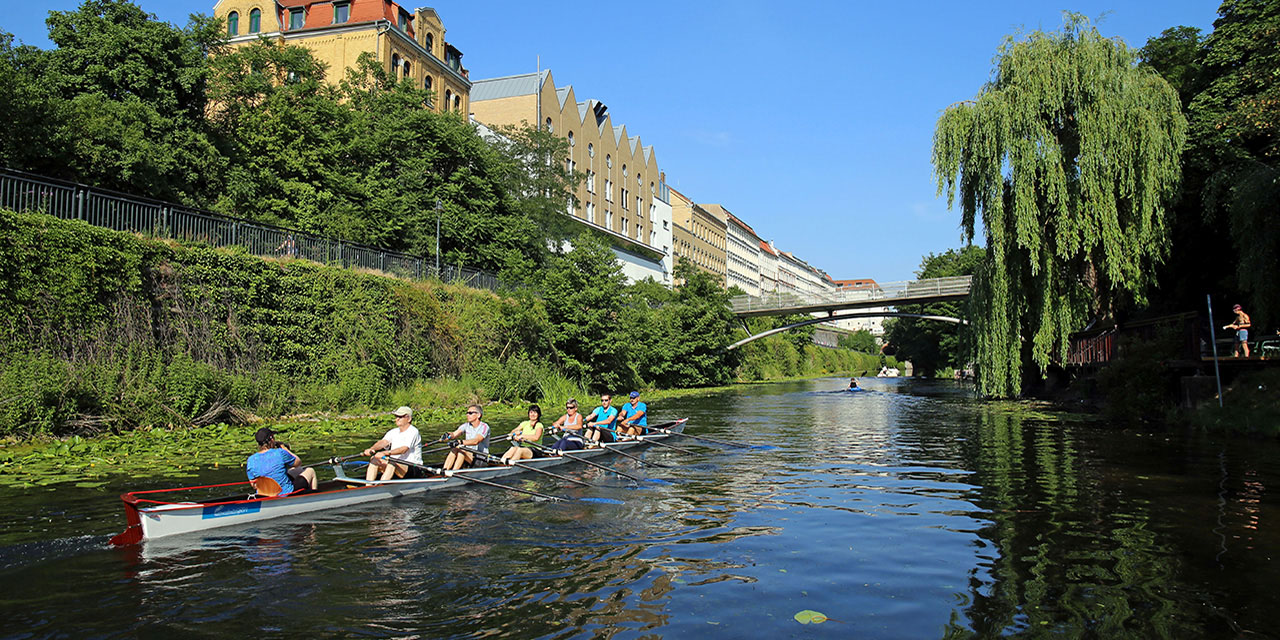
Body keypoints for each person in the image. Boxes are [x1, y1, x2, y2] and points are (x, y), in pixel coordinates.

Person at [247, 427, 317, 496]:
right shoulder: (280, 453)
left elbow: (253, 484)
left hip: (265, 495)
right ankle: (315, 498)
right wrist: (285, 448)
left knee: (296, 470)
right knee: (310, 471)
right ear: (271, 439)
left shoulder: (250, 460)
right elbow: (298, 462)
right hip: (285, 494)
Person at [363, 406, 424, 481]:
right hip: (396, 466)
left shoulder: (413, 431)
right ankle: (368, 485)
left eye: (400, 417)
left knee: (392, 462)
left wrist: (384, 453)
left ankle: (382, 485)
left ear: (409, 419)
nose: (397, 419)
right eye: (396, 416)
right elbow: (383, 442)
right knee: (374, 459)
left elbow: (403, 449)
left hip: (413, 468)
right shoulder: (393, 432)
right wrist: (372, 449)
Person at [443, 404, 490, 471]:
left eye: (470, 413)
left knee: (462, 450)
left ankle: (454, 472)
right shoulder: (466, 425)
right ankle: (444, 470)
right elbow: (454, 434)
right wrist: (448, 435)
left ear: (478, 415)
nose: (467, 415)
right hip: (468, 456)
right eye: (467, 413)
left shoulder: (484, 427)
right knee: (455, 449)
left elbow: (476, 441)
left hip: (481, 459)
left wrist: (460, 442)